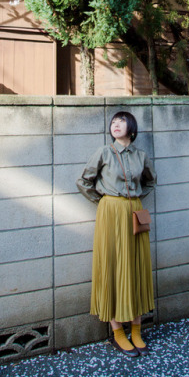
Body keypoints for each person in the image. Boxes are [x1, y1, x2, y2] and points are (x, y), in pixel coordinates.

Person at [76, 111, 157, 358]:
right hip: (110, 213)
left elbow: (151, 182)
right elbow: (84, 181)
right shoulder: (104, 153)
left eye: (121, 121)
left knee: (135, 268)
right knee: (112, 266)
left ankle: (136, 330)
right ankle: (117, 333)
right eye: (113, 122)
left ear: (131, 128)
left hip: (133, 212)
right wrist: (105, 202)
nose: (116, 124)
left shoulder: (141, 156)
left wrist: (132, 200)